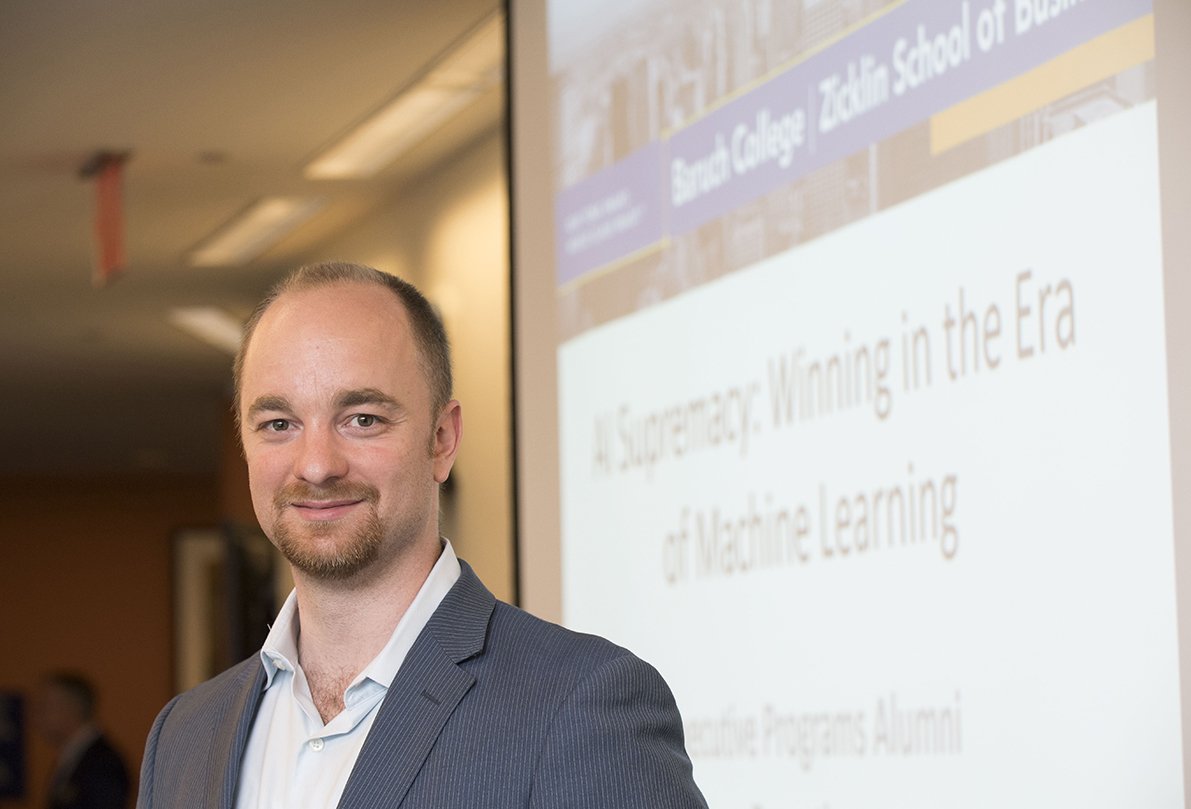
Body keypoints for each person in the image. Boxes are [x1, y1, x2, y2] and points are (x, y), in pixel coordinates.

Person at [137, 262, 707, 808]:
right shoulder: (185, 738)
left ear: (441, 439)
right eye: (278, 425)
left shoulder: (581, 708)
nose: (315, 465)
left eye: (362, 419)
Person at [35, 672, 130, 809]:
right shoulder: (73, 757)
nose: (36, 718)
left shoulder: (104, 763)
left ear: (72, 708)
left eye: (44, 707)